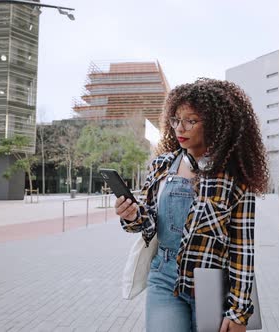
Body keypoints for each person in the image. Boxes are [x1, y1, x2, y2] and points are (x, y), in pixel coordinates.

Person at [115, 78, 269, 332]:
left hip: (212, 286)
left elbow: (242, 249)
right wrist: (132, 216)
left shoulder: (234, 177)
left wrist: (239, 311)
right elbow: (150, 224)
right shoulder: (162, 165)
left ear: (216, 124)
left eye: (191, 120)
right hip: (164, 278)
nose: (180, 128)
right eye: (175, 120)